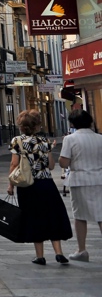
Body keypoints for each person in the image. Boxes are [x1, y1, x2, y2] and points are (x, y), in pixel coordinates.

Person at [8, 109, 72, 265]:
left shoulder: (18, 141)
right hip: (46, 184)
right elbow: (51, 165)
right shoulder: (45, 142)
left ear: (21, 126)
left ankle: (40, 256)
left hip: (28, 186)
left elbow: (14, 164)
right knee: (52, 216)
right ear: (37, 125)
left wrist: (11, 185)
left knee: (34, 218)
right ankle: (59, 252)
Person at [58, 109, 102, 262]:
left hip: (79, 180)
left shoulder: (70, 139)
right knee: (101, 215)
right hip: (99, 178)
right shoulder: (100, 138)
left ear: (72, 124)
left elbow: (64, 161)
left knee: (80, 216)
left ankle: (81, 249)